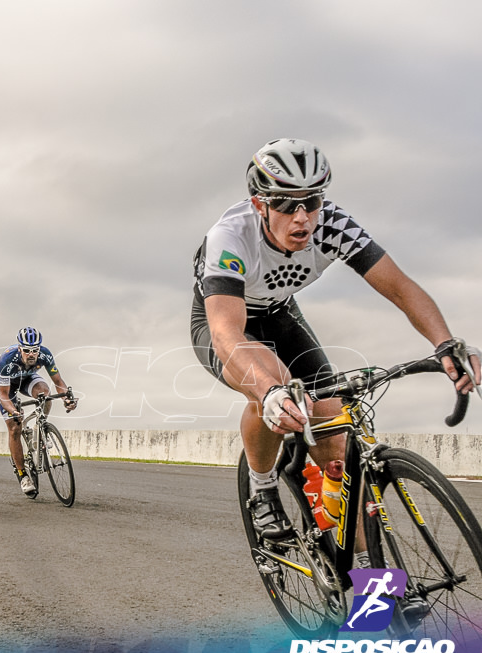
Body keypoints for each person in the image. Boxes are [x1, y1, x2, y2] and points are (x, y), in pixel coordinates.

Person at [191, 138, 481, 565]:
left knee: (335, 435)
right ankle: (262, 486)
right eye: (287, 205)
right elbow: (226, 332)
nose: (303, 216)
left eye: (311, 201)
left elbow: (400, 287)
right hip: (223, 320)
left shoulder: (332, 226)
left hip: (279, 310)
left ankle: (370, 594)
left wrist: (444, 342)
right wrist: (270, 391)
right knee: (271, 381)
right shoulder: (231, 237)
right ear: (259, 204)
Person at [0, 327, 77, 496]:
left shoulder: (45, 354)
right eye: (27, 350)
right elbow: (2, 395)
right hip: (8, 386)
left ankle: (41, 427)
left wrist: (66, 398)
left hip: (28, 379)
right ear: (19, 348)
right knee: (15, 428)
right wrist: (13, 412)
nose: (31, 354)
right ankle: (23, 475)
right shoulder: (7, 360)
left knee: (44, 393)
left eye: (35, 351)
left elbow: (58, 380)